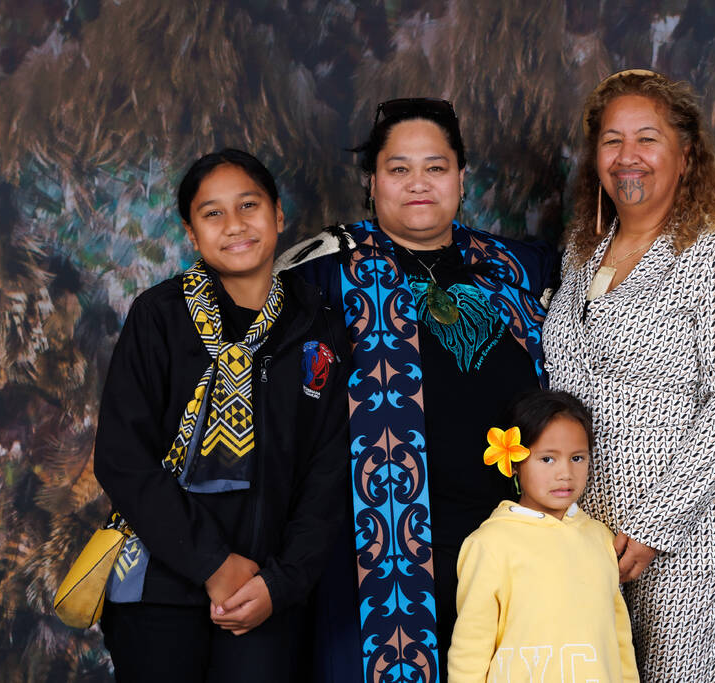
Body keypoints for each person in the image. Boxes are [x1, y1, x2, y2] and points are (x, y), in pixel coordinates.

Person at [277, 98, 556, 682]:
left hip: (511, 537)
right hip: (378, 549)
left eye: (435, 167)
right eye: (398, 168)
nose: (418, 183)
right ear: (372, 181)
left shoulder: (518, 268)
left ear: (461, 176)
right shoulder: (321, 272)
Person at [542, 70, 715, 681]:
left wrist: (653, 529)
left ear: (686, 153)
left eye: (647, 139)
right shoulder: (581, 251)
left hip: (683, 543)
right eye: (612, 140)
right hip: (584, 535)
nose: (628, 156)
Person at [93, 149, 350, 682]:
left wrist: (281, 583)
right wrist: (211, 563)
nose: (234, 225)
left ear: (278, 214)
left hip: (266, 594)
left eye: (248, 206)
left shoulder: (316, 324)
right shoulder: (159, 317)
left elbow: (327, 473)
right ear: (191, 233)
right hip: (158, 592)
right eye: (213, 213)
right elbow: (122, 459)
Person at [448, 389, 640, 683]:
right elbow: (470, 652)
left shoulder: (600, 538)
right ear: (514, 463)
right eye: (548, 459)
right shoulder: (490, 544)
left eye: (577, 458)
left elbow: (619, 641)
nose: (565, 473)